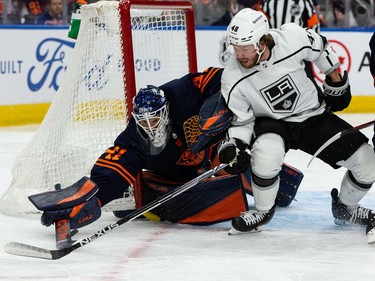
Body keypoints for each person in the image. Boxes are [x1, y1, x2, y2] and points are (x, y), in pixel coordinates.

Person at [27, 67, 304, 247]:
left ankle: (245, 169)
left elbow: (222, 77)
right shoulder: (135, 139)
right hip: (180, 178)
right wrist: (93, 199)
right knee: (200, 199)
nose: (150, 126)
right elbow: (112, 168)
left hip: (214, 154)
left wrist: (217, 110)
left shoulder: (180, 94)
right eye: (143, 121)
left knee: (278, 185)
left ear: (165, 111)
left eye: (155, 118)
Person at [218, 8, 375, 242]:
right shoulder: (232, 76)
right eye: (236, 47)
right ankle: (262, 212)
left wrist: (334, 79)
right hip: (272, 123)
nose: (239, 54)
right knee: (265, 157)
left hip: (312, 117)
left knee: (368, 163)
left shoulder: (291, 38)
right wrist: (237, 144)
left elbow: (320, 47)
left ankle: (345, 207)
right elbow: (242, 119)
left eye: (245, 47)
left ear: (262, 42)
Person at [262, 0, 324, 98]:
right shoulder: (269, 2)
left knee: (307, 79)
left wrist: (310, 47)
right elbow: (261, 23)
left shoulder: (304, 2)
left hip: (298, 50)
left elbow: (313, 24)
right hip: (274, 50)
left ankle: (322, 104)